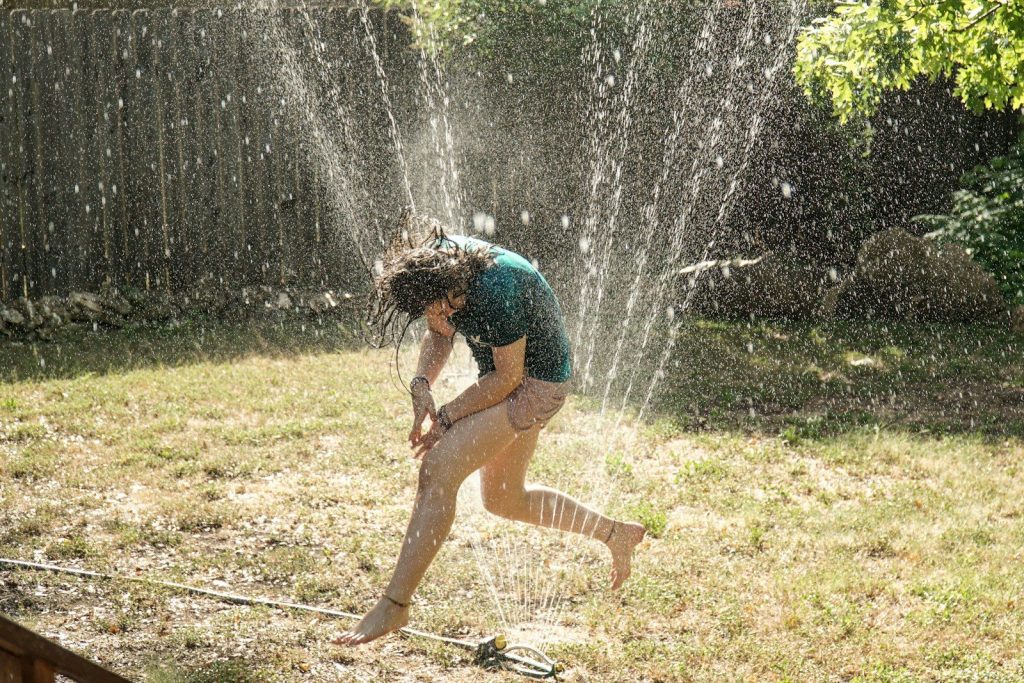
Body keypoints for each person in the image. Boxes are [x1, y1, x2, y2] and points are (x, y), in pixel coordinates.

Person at [334, 215, 646, 646]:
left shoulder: (495, 290)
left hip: (537, 385)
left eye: (437, 307)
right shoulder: (439, 271)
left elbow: (506, 380)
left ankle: (395, 605)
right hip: (515, 379)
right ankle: (617, 533)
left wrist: (446, 418)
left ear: (449, 289)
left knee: (439, 468)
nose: (436, 316)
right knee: (503, 498)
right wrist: (422, 385)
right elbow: (439, 336)